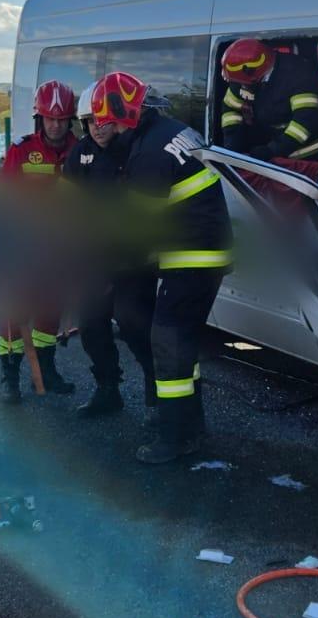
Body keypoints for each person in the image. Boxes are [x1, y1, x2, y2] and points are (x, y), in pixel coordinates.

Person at [89, 71, 233, 464]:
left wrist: (105, 267)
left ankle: (174, 438)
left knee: (168, 344)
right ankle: (191, 426)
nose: (108, 132)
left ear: (124, 116)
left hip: (192, 256)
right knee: (180, 345)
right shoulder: (170, 131)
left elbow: (136, 231)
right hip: (203, 250)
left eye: (111, 124)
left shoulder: (148, 154)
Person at [63, 81, 157, 419]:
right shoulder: (80, 153)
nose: (97, 128)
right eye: (89, 121)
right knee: (91, 327)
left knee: (136, 328)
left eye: (102, 120)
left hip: (132, 260)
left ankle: (158, 397)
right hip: (94, 260)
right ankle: (107, 390)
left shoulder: (135, 149)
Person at [0, 80, 79, 403]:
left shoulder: (78, 150)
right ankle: (10, 378)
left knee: (49, 314)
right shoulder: (22, 149)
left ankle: (43, 373)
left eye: (61, 119)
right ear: (39, 118)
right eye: (50, 119)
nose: (55, 125)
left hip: (59, 250)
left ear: (70, 119)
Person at [218, 37, 318, 170]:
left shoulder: (298, 74)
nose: (241, 86)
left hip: (314, 147)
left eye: (243, 84)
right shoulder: (241, 75)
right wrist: (232, 142)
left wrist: (272, 150)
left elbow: (305, 121)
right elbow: (230, 107)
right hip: (277, 143)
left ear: (256, 74)